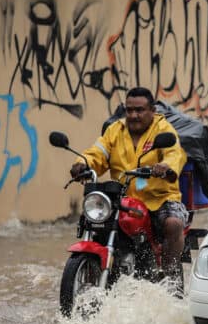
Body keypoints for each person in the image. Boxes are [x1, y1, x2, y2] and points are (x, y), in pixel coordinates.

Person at [70, 87, 188, 288]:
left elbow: (174, 154)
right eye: (130, 110)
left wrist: (165, 167)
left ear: (152, 110)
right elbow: (97, 152)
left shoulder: (163, 130)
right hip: (123, 198)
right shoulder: (115, 130)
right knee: (96, 223)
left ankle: (171, 281)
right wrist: (83, 163)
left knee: (174, 223)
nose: (134, 115)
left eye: (140, 110)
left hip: (159, 198)